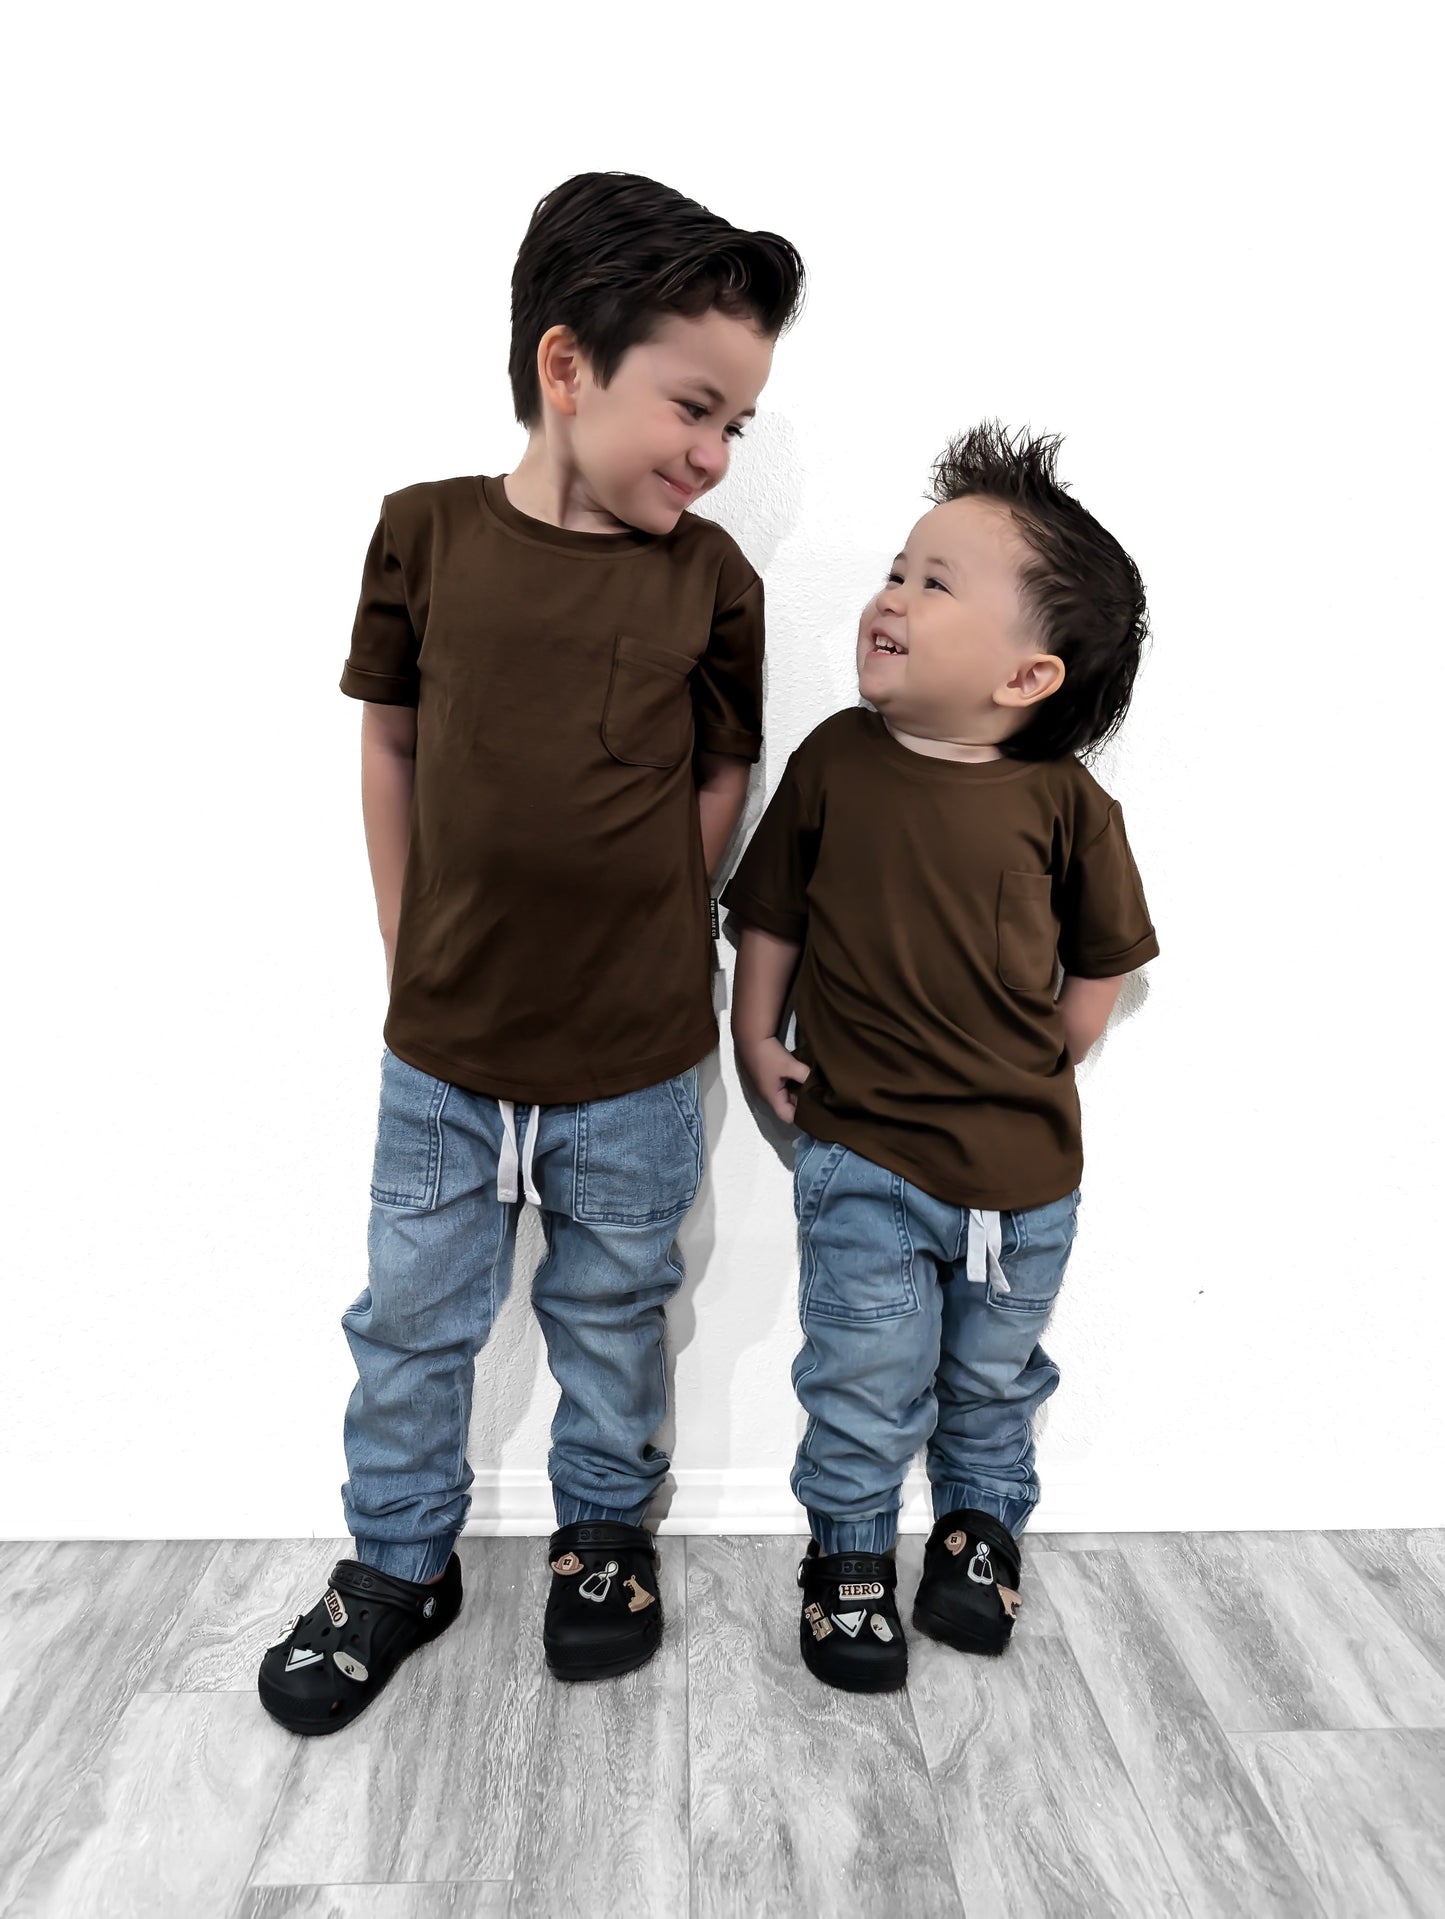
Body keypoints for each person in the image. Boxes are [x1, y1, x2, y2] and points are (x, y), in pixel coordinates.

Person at [258, 172, 804, 1733]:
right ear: (568, 365)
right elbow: (390, 742)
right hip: (443, 1055)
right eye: (692, 408)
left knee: (615, 1312)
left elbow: (722, 768)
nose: (712, 454)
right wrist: (404, 939)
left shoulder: (713, 580)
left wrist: (660, 912)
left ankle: (603, 1539)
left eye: (736, 426)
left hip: (635, 1062)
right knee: (410, 1321)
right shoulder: (423, 535)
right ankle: (395, 1561)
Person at [724, 423, 1158, 1692]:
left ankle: (976, 1530)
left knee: (990, 1376)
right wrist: (754, 1030)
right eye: (896, 571)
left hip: (1023, 1183)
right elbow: (771, 914)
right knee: (860, 1373)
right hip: (861, 1154)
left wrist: (1055, 1051)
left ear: (1026, 675)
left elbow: (1103, 958)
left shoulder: (1064, 803)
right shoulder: (833, 762)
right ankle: (849, 1553)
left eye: (933, 582)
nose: (891, 597)